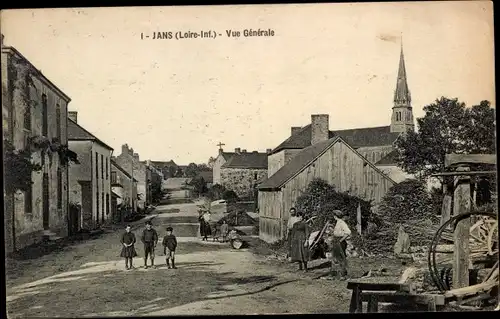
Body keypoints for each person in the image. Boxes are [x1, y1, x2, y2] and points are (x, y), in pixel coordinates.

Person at [327, 210, 351, 279]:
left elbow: (348, 232)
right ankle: (333, 274)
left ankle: (343, 275)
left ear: (335, 216)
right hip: (336, 241)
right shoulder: (338, 223)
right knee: (334, 258)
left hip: (340, 241)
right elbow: (337, 233)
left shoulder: (342, 223)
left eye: (334, 216)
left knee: (341, 258)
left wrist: (341, 240)